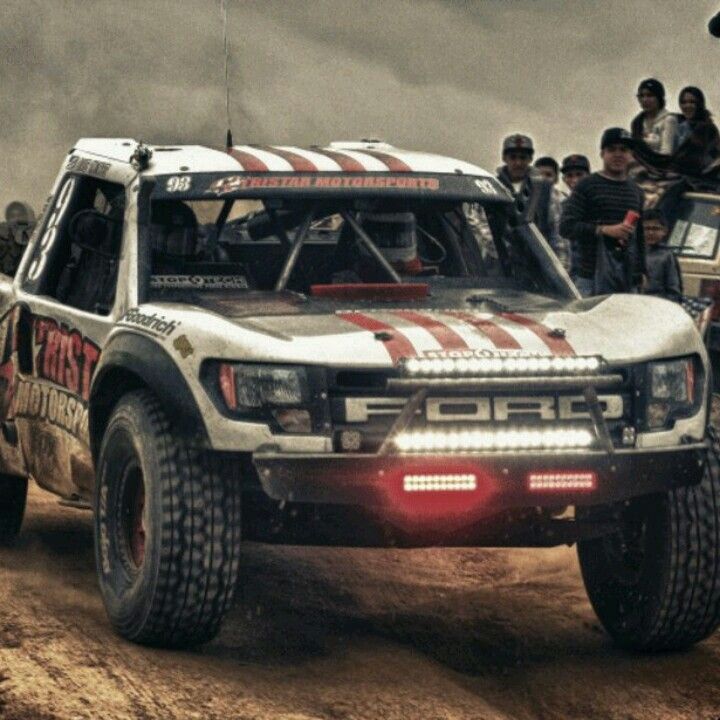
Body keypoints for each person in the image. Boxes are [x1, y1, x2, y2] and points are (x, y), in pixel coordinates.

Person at [560, 128, 646, 297]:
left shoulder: (636, 191)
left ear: (631, 155)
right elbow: (566, 227)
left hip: (626, 281)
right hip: (590, 278)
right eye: (612, 149)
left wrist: (642, 271)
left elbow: (640, 237)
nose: (618, 154)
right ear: (602, 153)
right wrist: (604, 230)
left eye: (623, 150)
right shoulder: (586, 186)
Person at [497, 134, 564, 267]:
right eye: (513, 157)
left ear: (530, 159)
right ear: (504, 158)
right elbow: (479, 224)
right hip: (500, 263)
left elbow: (557, 230)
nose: (518, 163)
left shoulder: (545, 189)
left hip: (538, 263)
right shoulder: (492, 186)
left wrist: (560, 267)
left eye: (523, 157)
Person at [672, 86, 720, 174]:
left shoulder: (708, 129)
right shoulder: (678, 125)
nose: (687, 106)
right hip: (675, 173)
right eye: (684, 102)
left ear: (699, 104)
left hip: (702, 177)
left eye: (692, 102)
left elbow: (715, 157)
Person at [641, 209, 681, 301]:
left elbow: (674, 292)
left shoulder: (666, 256)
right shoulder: (631, 254)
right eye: (646, 229)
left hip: (657, 304)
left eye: (655, 228)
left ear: (665, 231)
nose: (650, 233)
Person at [630, 78, 678, 155]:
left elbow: (666, 153)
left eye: (650, 95)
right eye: (642, 96)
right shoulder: (637, 122)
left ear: (659, 98)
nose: (645, 100)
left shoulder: (669, 120)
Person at [0, 201, 36, 277]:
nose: (16, 219)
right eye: (12, 216)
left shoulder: (40, 236)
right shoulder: (4, 231)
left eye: (21, 215)